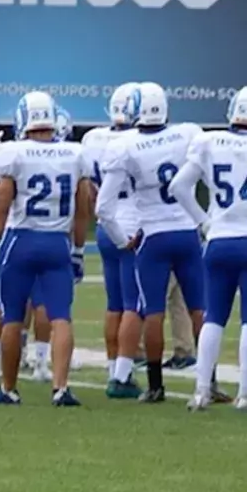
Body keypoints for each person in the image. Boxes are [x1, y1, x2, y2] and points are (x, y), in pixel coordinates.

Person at [0, 91, 94, 406]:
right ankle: (60, 387)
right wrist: (79, 249)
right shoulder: (75, 153)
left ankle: (8, 388)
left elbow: (1, 206)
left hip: (19, 241)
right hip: (57, 242)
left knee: (13, 317)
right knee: (61, 317)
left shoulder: (12, 153)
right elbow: (84, 207)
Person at [95, 81, 204, 404]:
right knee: (199, 307)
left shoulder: (124, 144)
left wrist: (122, 239)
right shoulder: (188, 133)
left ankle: (155, 385)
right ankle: (207, 381)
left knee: (149, 310)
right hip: (186, 232)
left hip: (151, 235)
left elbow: (103, 207)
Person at [179, 85, 247, 412]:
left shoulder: (208, 141)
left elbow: (178, 186)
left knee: (214, 317)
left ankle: (201, 390)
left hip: (219, 239)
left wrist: (204, 222)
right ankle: (246, 394)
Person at [85, 84, 143, 397]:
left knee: (115, 304)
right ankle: (122, 376)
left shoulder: (93, 139)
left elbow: (92, 190)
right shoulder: (138, 141)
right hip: (133, 227)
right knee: (135, 305)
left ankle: (113, 368)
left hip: (106, 225)